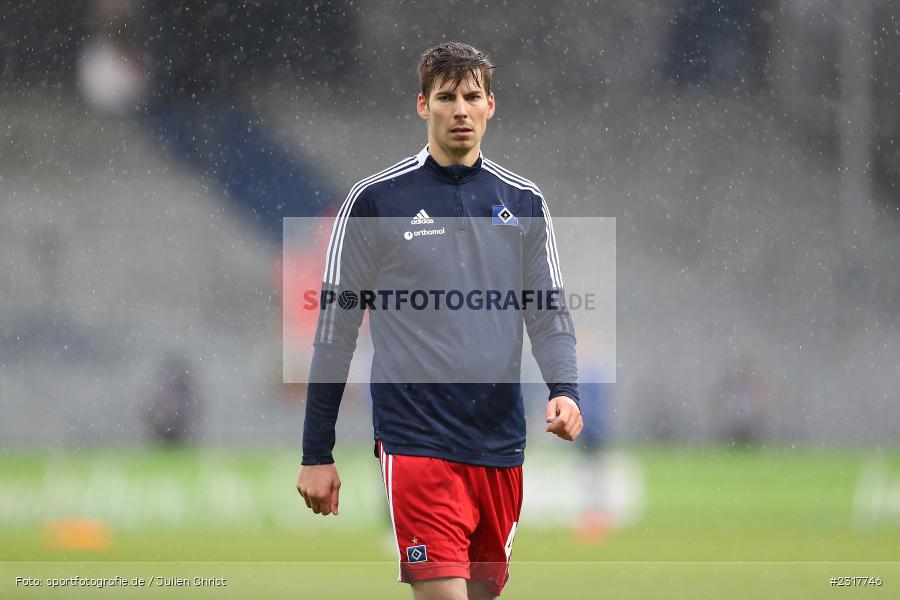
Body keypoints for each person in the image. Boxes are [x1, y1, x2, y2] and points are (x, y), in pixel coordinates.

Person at [296, 42, 583, 600]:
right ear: (422, 106)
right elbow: (335, 334)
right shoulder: (376, 201)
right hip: (416, 438)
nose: (460, 109)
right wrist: (316, 452)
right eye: (446, 96)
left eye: (471, 96)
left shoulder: (522, 202)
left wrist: (565, 390)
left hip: (499, 443)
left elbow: (547, 314)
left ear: (491, 105)